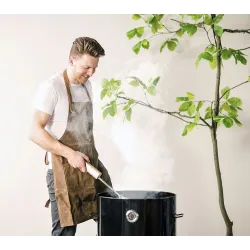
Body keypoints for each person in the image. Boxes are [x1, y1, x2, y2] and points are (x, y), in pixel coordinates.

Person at [28, 37, 112, 237]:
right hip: (62, 170)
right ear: (71, 60)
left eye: (94, 68)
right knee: (65, 232)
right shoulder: (52, 88)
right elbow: (35, 132)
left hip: (90, 165)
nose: (91, 73)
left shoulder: (87, 86)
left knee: (111, 217)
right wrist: (70, 154)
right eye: (86, 67)